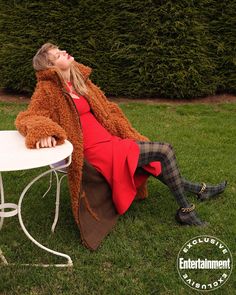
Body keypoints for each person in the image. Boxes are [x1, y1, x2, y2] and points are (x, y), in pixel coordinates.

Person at [15, 43, 227, 250]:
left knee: (154, 159)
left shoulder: (80, 81)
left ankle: (201, 190)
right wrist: (44, 131)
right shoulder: (48, 89)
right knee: (164, 151)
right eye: (58, 54)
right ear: (50, 67)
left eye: (61, 50)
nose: (64, 52)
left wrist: (121, 129)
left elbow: (107, 109)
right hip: (94, 152)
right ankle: (186, 211)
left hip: (109, 141)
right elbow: (29, 117)